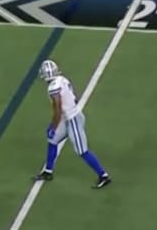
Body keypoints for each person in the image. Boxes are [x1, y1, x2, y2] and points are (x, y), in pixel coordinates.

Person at [32, 60, 112, 189]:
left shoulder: (53, 88)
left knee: (82, 151)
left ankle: (103, 175)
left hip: (72, 119)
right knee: (52, 140)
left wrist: (53, 126)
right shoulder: (62, 79)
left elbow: (57, 109)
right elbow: (73, 97)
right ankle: (48, 171)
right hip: (68, 116)